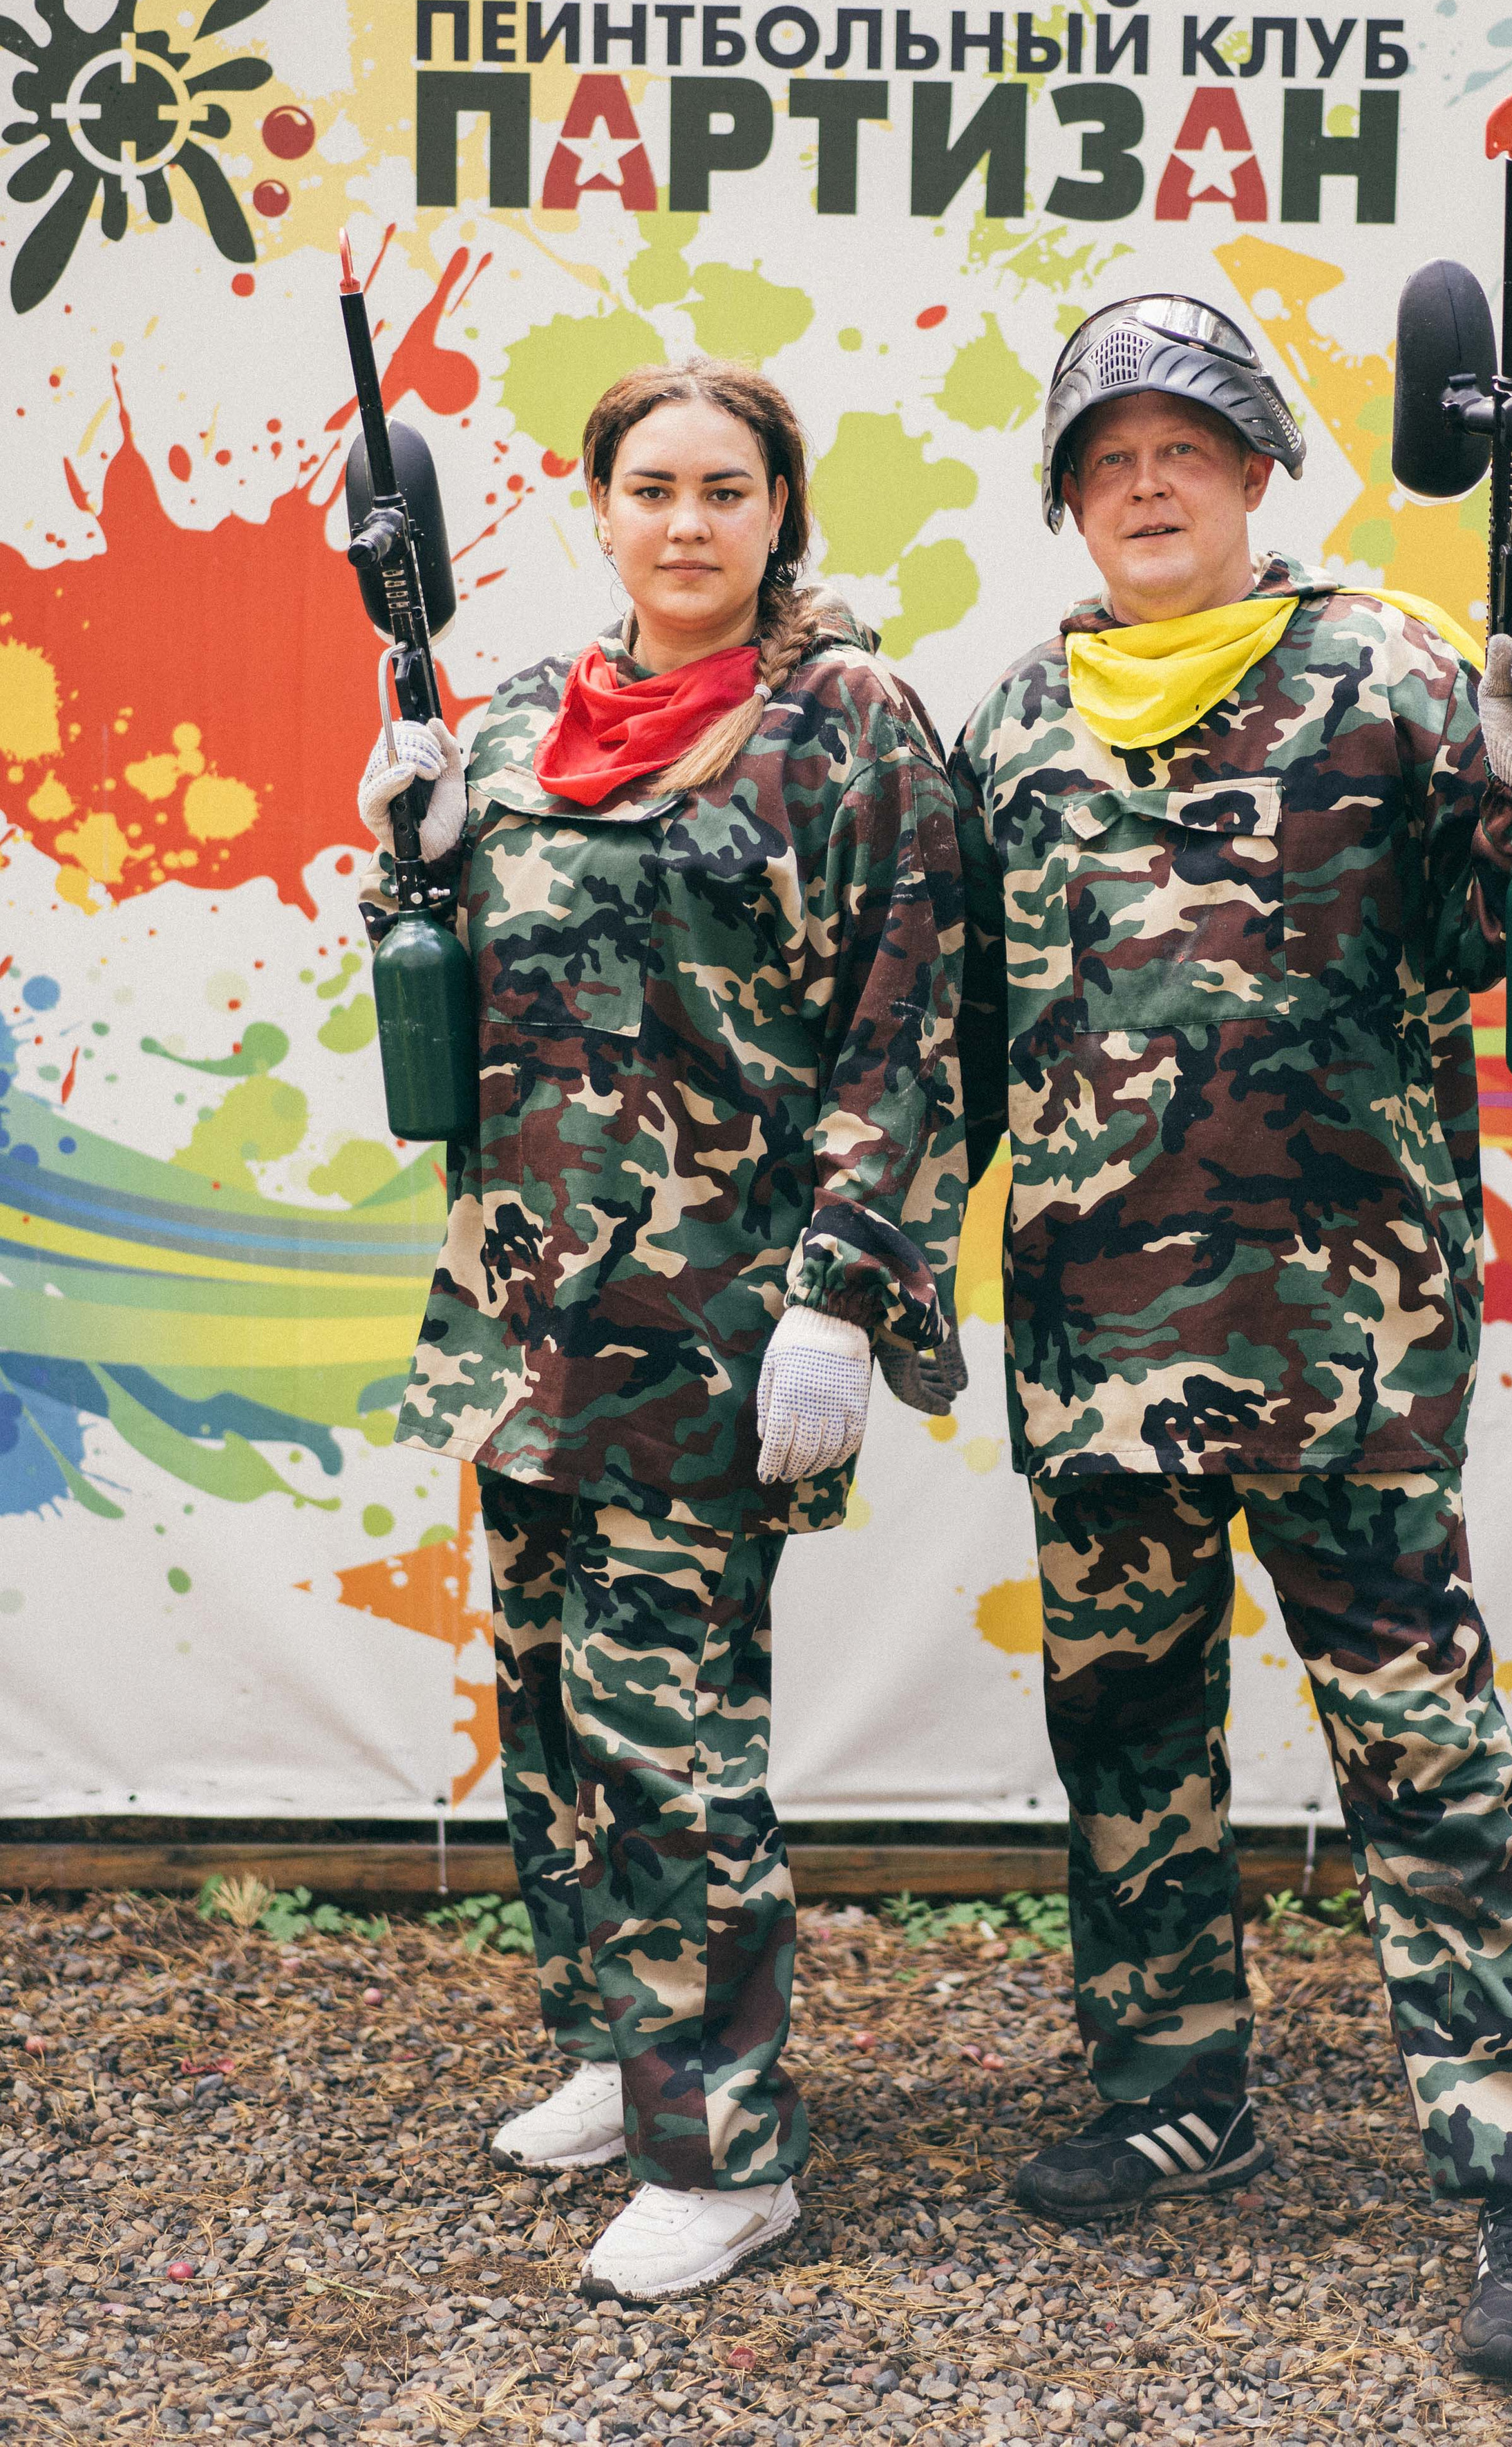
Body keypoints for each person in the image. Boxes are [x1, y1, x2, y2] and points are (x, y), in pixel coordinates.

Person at [950, 295, 1512, 2386]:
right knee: (1126, 1738)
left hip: (1348, 1340)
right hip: (1092, 1345)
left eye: (1188, 450)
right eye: (1110, 457)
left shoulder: (1398, 668)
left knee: (1424, 1759)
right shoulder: (1011, 725)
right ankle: (1180, 2087)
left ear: (1257, 476)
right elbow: (950, 1036)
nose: (1148, 486)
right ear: (1071, 497)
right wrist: (844, 1273)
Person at [355, 357, 967, 2301]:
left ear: (781, 506)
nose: (688, 520)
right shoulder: (527, 715)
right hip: (528, 1304)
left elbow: (911, 1031)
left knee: (673, 1737)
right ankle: (628, 2063)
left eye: (727, 485)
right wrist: (404, 851)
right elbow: (457, 1004)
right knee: (547, 1713)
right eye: (651, 486)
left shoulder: (850, 725)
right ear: (595, 510)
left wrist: (848, 1293)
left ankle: (732, 2152)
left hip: (719, 1321)